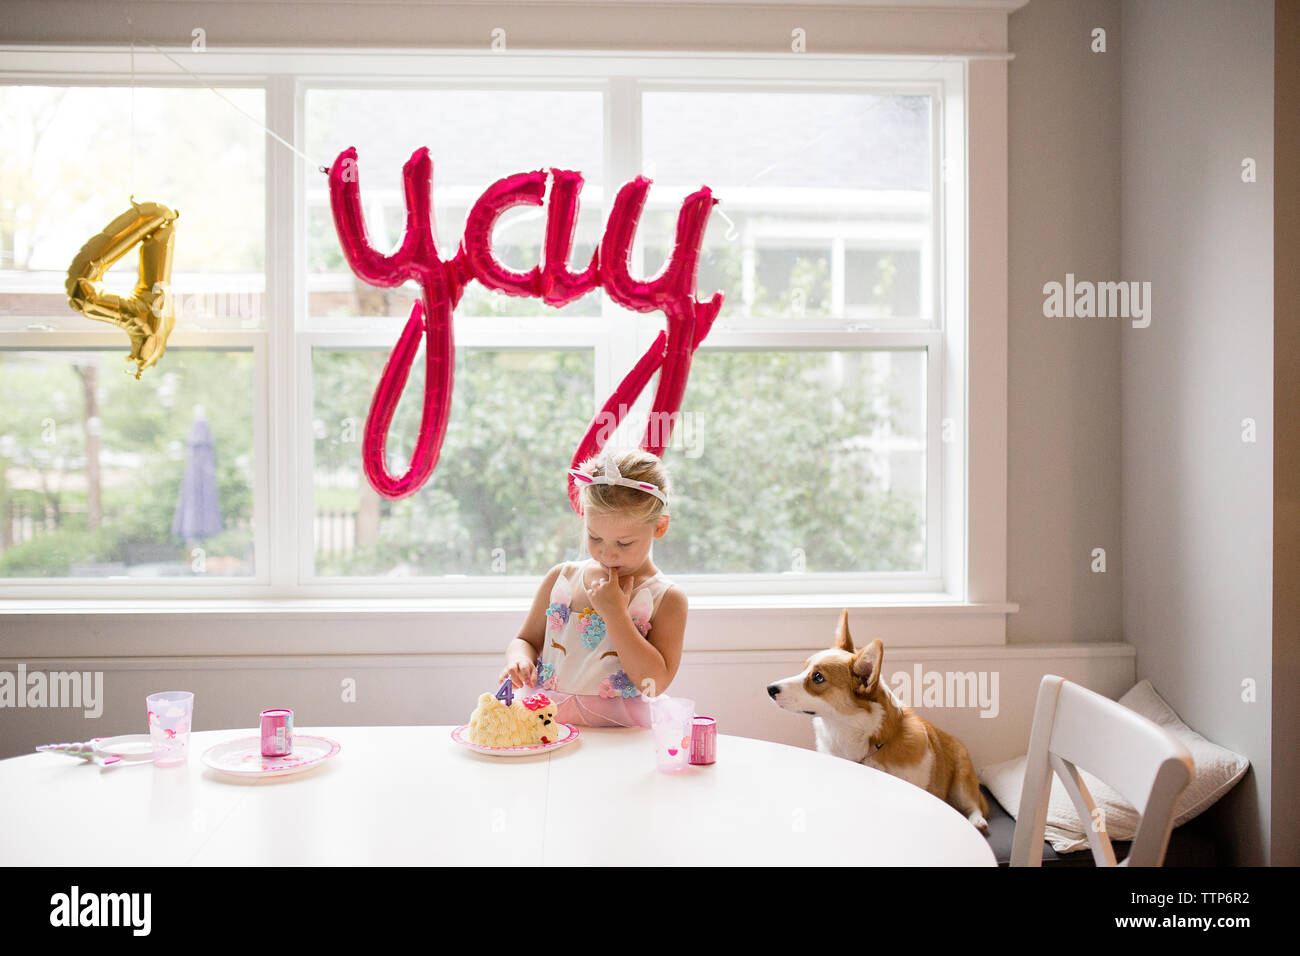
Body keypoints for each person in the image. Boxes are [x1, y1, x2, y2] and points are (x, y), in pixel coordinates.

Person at [497, 448, 687, 727]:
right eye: (595, 537)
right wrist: (519, 660)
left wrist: (616, 616)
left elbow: (653, 684)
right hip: (549, 721)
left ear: (659, 527)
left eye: (624, 544)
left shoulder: (667, 598)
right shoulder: (561, 578)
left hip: (619, 731)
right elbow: (526, 640)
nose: (608, 554)